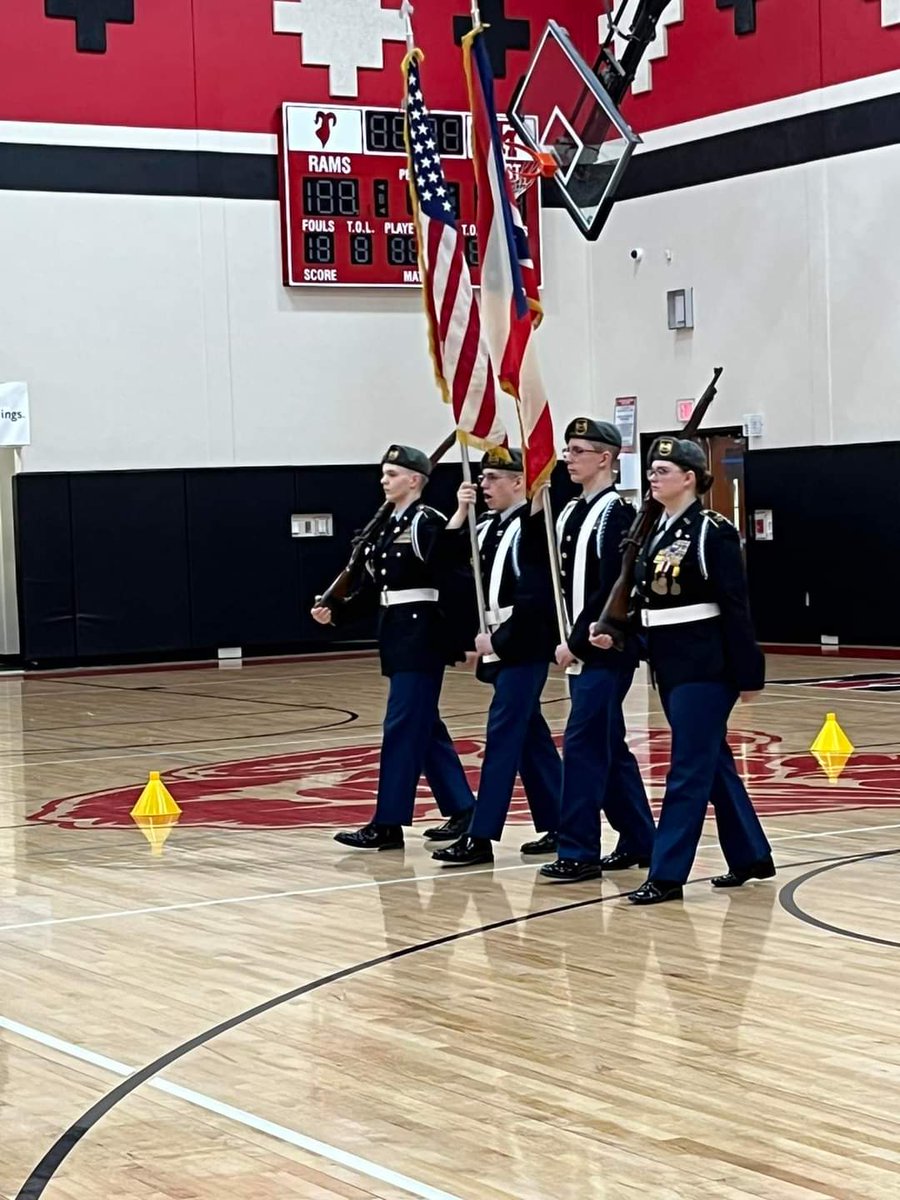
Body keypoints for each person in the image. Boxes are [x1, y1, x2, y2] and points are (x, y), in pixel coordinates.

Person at [590, 436, 774, 904]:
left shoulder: (712, 530)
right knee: (711, 765)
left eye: (664, 471)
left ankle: (667, 872)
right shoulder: (655, 530)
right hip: (669, 664)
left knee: (687, 770)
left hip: (707, 667)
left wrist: (749, 675)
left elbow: (735, 606)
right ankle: (751, 854)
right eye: (651, 470)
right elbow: (648, 604)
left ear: (690, 478)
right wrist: (619, 634)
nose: (653, 477)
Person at [312, 444, 474, 850]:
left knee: (401, 727)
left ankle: (388, 822)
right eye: (384, 474)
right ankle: (462, 807)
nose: (384, 481)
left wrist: (458, 516)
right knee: (424, 726)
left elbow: (451, 570)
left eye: (393, 474)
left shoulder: (425, 522)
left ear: (415, 480)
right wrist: (338, 612)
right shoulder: (385, 527)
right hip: (397, 635)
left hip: (422, 637)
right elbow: (375, 590)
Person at [431, 449, 561, 867]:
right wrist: (458, 511)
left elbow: (535, 596)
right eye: (482, 478)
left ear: (518, 482)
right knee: (530, 738)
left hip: (523, 643)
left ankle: (481, 834)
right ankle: (561, 822)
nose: (483, 486)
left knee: (503, 736)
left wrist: (500, 641)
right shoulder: (485, 526)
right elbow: (442, 564)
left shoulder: (534, 527)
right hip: (497, 641)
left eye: (491, 478)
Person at [539, 418, 656, 883]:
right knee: (609, 745)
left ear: (605, 458)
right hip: (579, 647)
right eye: (568, 450)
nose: (569, 458)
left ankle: (579, 848)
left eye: (578, 450)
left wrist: (576, 639)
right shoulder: (571, 512)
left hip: (607, 649)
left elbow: (614, 588)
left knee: (584, 745)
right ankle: (640, 838)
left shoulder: (617, 514)